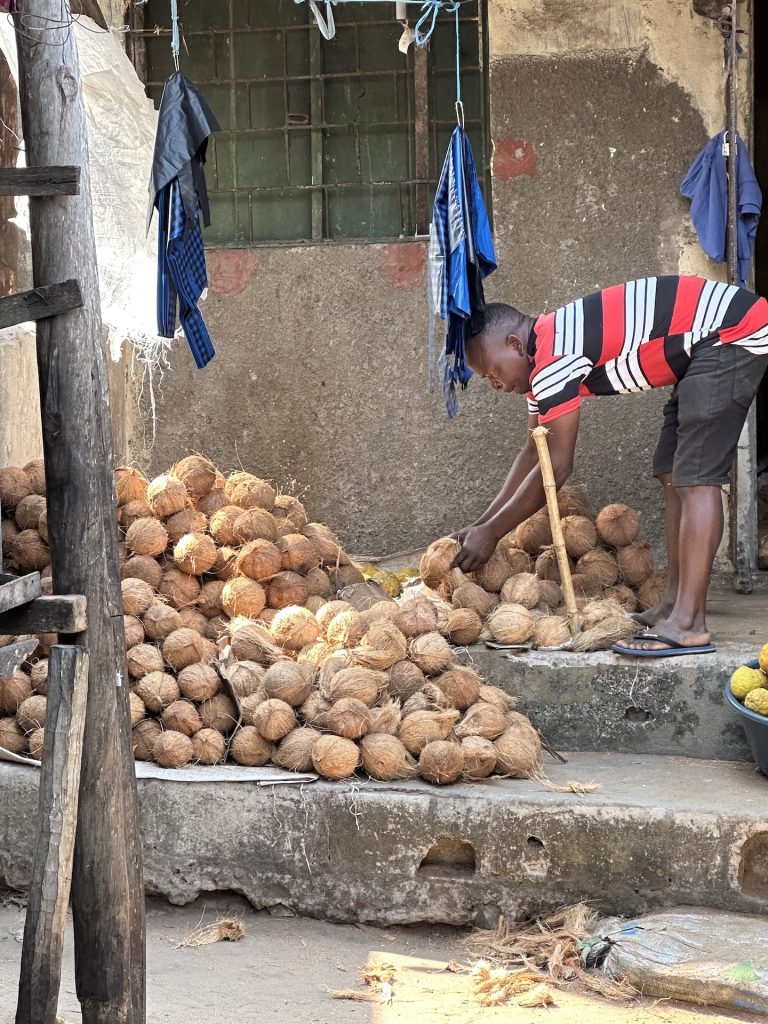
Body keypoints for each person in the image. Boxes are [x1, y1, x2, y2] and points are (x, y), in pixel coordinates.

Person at [451, 275, 768, 657]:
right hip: (704, 346)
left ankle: (689, 624)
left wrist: (492, 534)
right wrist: (484, 524)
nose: (493, 384)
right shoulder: (541, 362)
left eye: (491, 371)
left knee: (696, 477)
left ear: (514, 344)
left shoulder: (554, 357)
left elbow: (557, 466)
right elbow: (533, 452)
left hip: (731, 333)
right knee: (673, 474)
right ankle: (672, 605)